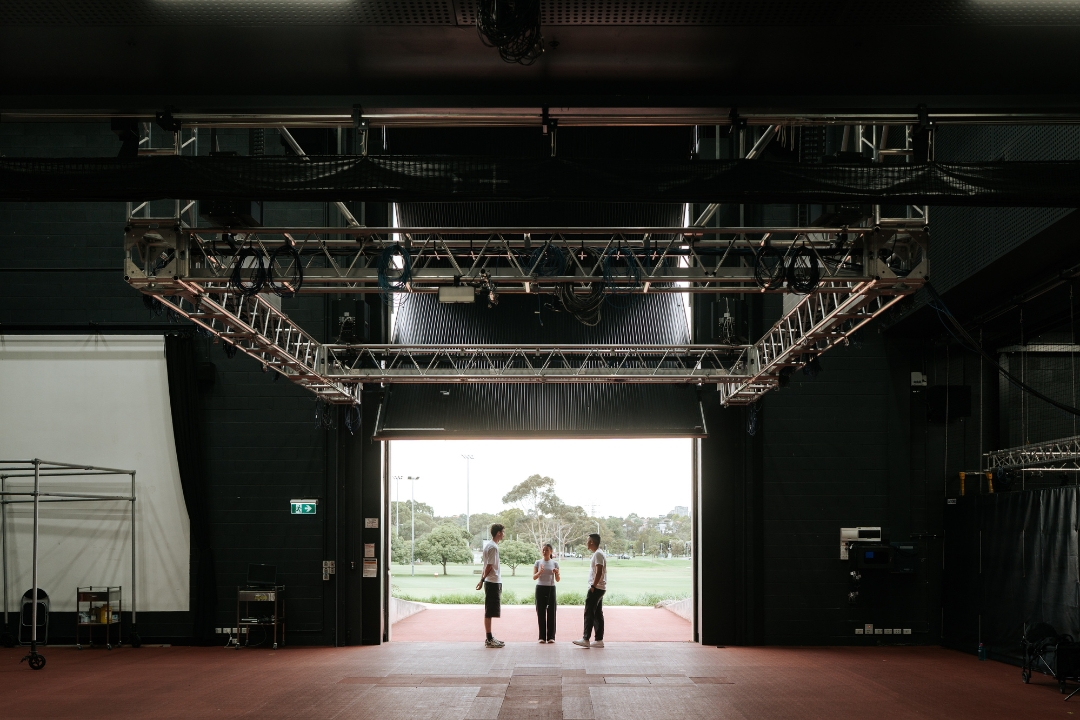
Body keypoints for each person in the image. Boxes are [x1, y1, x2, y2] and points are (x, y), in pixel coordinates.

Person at [573, 533, 606, 649]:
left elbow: (599, 571)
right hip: (600, 588)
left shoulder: (598, 554)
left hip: (596, 588)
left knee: (589, 612)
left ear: (592, 542)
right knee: (597, 613)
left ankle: (586, 638)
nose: (586, 543)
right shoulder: (599, 553)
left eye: (587, 541)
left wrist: (593, 585)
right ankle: (598, 640)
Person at [476, 523, 505, 648]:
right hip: (492, 582)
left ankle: (490, 638)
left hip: (491, 581)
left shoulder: (490, 546)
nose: (504, 534)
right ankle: (489, 639)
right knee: (489, 611)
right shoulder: (493, 547)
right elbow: (489, 566)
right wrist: (482, 579)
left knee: (490, 610)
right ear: (498, 533)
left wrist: (482, 579)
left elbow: (486, 565)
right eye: (503, 532)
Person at [532, 543, 560, 643]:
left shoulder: (555, 563)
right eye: (543, 550)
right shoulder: (538, 562)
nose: (544, 552)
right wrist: (540, 572)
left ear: (551, 551)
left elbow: (558, 579)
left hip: (551, 588)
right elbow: (534, 577)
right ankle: (542, 637)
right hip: (540, 588)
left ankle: (551, 637)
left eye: (547, 550)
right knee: (541, 612)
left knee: (551, 612)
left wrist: (557, 573)